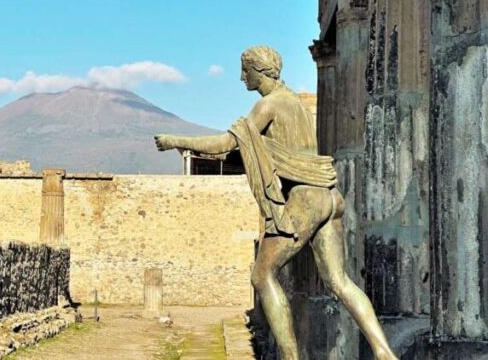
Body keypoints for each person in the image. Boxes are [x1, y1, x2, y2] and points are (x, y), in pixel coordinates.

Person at [154, 46, 397, 360]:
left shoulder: (268, 105)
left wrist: (176, 140)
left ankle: (289, 357)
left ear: (260, 71)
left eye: (246, 70)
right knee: (339, 281)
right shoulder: (294, 102)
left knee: (262, 274)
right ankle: (384, 352)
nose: (242, 77)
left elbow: (225, 143)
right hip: (329, 195)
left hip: (305, 198)